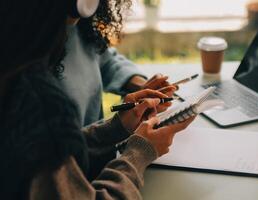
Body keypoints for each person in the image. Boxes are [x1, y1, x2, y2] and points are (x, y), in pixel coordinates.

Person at [0, 0, 195, 200]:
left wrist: (115, 128)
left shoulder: (61, 33)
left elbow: (56, 153)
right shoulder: (40, 105)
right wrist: (140, 153)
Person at [62, 1, 173, 126]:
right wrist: (116, 129)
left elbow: (106, 61)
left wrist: (142, 85)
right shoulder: (38, 53)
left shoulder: (80, 26)